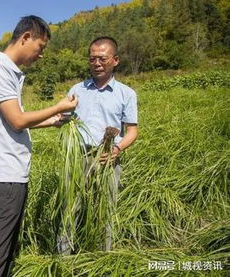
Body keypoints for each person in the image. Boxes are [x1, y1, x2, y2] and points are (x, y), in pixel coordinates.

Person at [0, 15, 78, 277]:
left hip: (9, 175)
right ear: (26, 38)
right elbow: (18, 121)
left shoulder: (8, 73)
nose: (40, 55)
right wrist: (58, 106)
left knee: (6, 249)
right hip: (3, 176)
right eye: (40, 47)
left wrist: (51, 121)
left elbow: (10, 124)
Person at [57, 36, 139, 254]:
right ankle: (63, 258)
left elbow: (132, 131)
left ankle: (102, 257)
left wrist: (117, 149)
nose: (97, 64)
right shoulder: (77, 89)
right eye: (92, 59)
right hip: (76, 157)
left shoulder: (126, 94)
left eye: (102, 59)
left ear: (115, 60)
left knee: (105, 209)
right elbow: (62, 119)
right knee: (70, 208)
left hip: (108, 158)